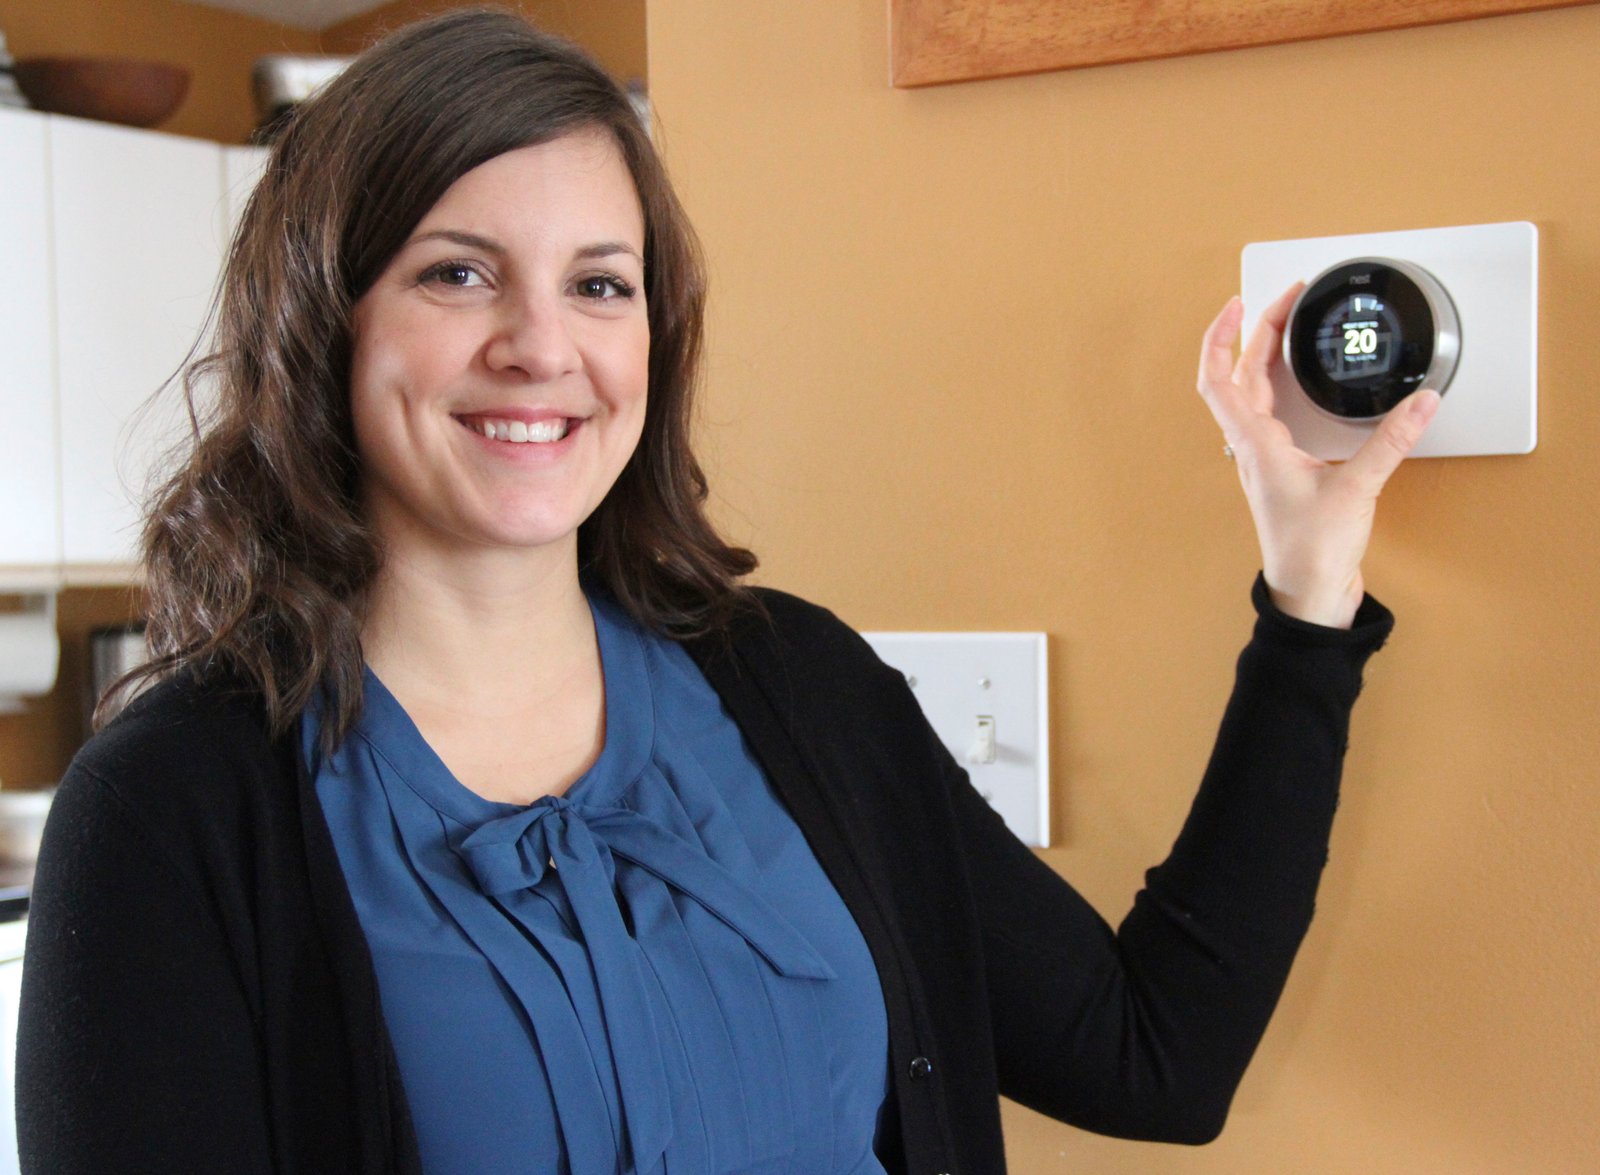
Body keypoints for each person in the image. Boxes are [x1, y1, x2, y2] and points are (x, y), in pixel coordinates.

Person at [15, 9, 1439, 1175]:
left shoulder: (800, 688)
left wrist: (1307, 587)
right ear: (325, 320)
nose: (540, 345)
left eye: (601, 284)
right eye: (458, 275)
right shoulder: (173, 811)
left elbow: (1159, 1058)